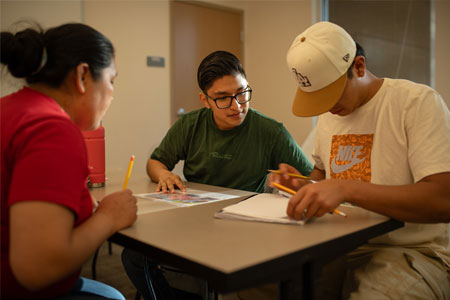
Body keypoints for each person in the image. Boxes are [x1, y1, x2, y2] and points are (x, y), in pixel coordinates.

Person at [271, 21, 450, 299]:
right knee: (263, 286)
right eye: (318, 99)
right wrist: (302, 186)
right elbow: (321, 177)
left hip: (412, 250)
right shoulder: (329, 116)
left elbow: (443, 200)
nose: (328, 107)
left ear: (359, 67)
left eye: (331, 94)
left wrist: (346, 187)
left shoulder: (416, 102)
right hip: (338, 244)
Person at [122, 50, 313, 299]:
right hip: (191, 221)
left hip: (242, 227)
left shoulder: (271, 132)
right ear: (205, 99)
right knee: (134, 256)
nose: (236, 106)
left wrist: (296, 183)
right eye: (222, 98)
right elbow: (156, 162)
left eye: (242, 93)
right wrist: (164, 174)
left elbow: (311, 179)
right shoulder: (189, 125)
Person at [1, 23, 137, 300]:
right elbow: (37, 268)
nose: (112, 93)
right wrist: (108, 218)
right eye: (111, 80)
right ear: (83, 75)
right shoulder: (51, 129)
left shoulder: (10, 109)